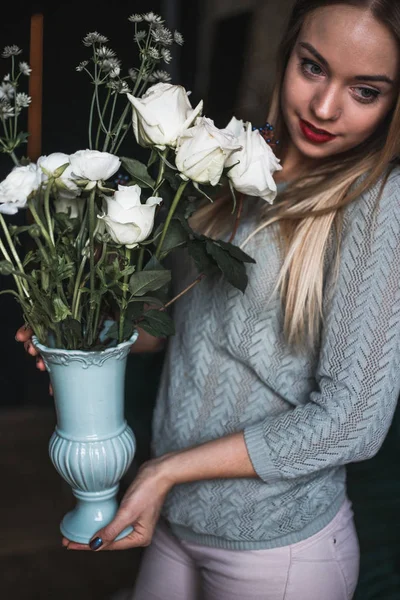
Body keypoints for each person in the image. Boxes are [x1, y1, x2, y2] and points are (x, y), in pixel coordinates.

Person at [17, 1, 400, 598]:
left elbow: (352, 422)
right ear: (288, 52)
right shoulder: (241, 156)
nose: (325, 108)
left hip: (279, 549)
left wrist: (165, 470)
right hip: (177, 519)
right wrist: (87, 341)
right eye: (313, 67)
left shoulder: (378, 203)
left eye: (366, 90)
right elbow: (197, 329)